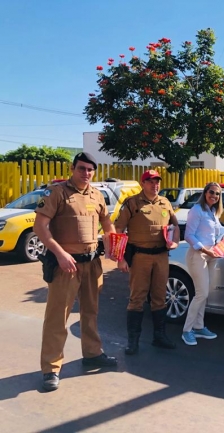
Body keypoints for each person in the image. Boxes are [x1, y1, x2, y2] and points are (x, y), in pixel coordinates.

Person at [33, 152, 118, 392]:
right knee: (57, 318)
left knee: (90, 312)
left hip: (92, 264)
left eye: (90, 169)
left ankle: (92, 353)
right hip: (65, 266)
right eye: (81, 168)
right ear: (73, 168)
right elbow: (39, 227)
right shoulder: (57, 193)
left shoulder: (97, 194)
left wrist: (113, 246)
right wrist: (60, 254)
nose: (86, 173)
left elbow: (107, 223)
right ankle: (51, 368)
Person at [114, 169, 181, 355]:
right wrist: (120, 258)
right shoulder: (132, 203)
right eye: (150, 181)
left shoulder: (165, 202)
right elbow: (118, 229)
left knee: (160, 298)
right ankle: (133, 341)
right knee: (137, 299)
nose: (155, 185)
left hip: (161, 257)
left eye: (157, 181)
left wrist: (175, 241)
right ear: (143, 183)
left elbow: (175, 225)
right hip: (140, 257)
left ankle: (159, 336)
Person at [181, 182, 224, 346]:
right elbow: (189, 235)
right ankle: (187, 330)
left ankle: (199, 326)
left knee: (204, 293)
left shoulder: (212, 211)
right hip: (199, 254)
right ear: (205, 192)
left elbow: (218, 229)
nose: (214, 196)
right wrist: (204, 250)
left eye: (217, 194)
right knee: (201, 294)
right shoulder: (196, 210)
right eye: (211, 192)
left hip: (212, 254)